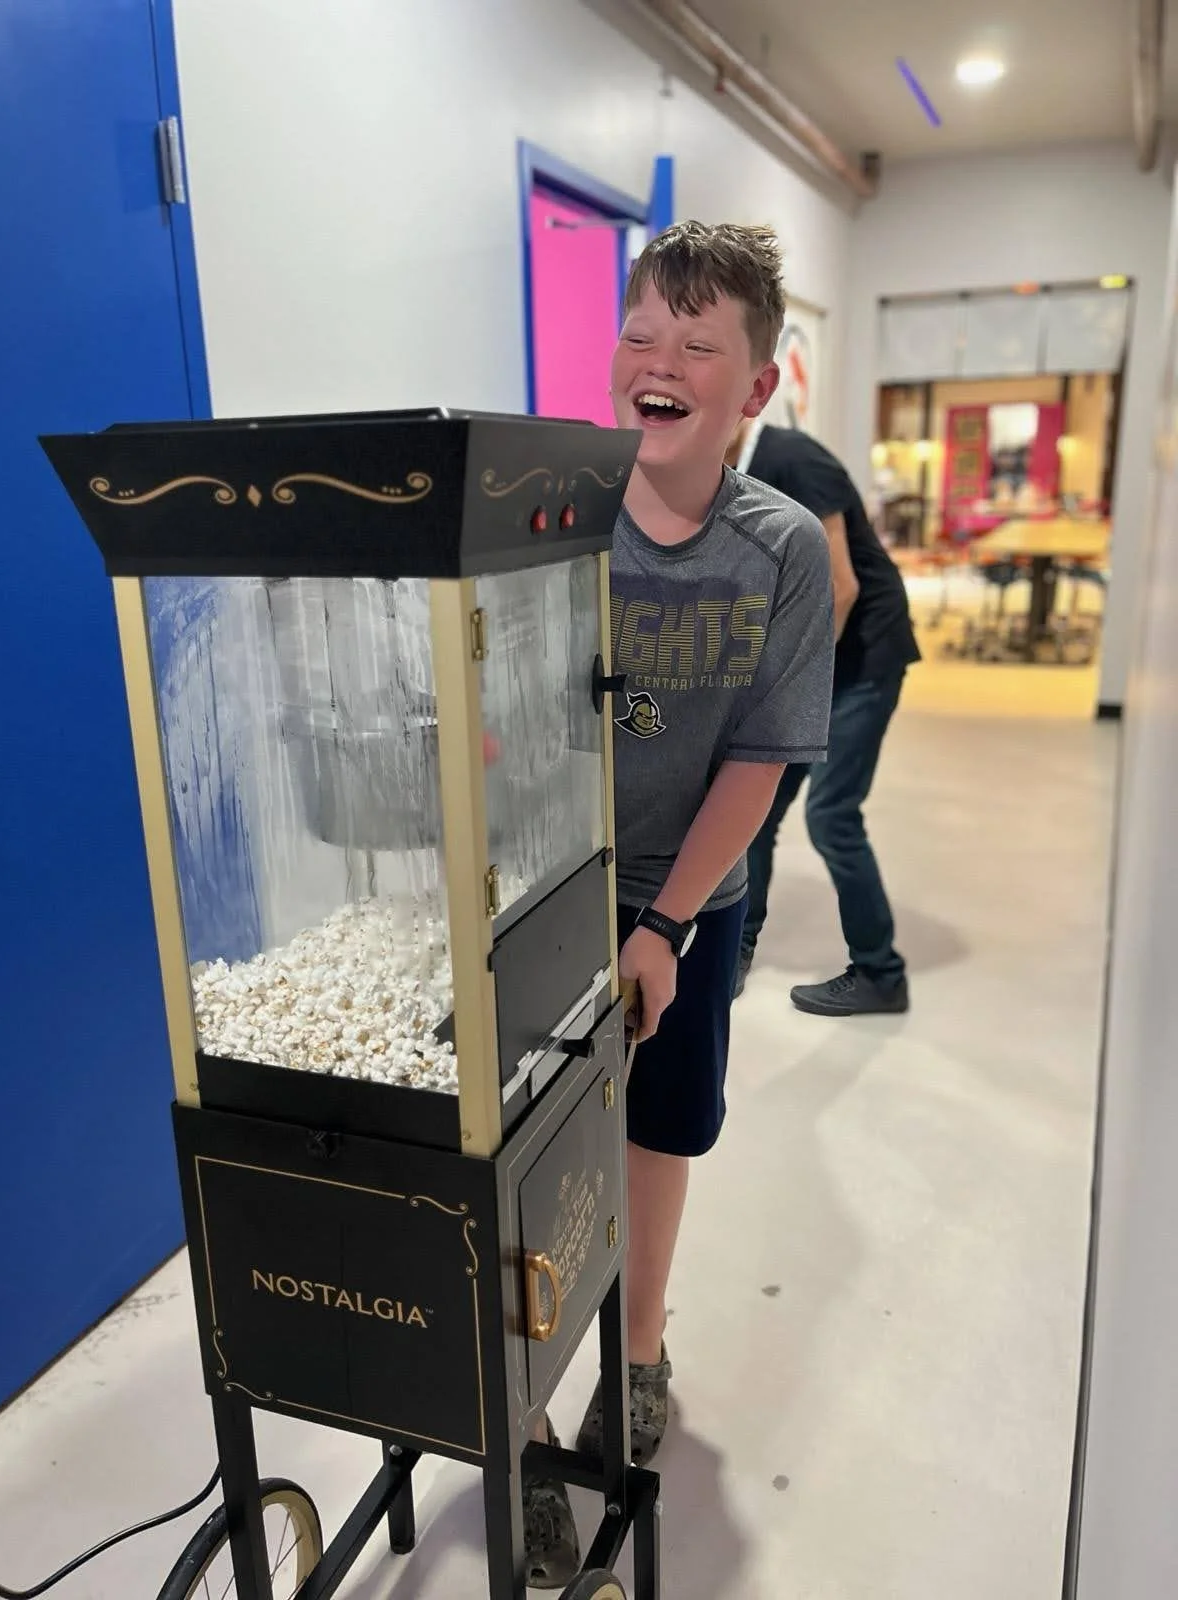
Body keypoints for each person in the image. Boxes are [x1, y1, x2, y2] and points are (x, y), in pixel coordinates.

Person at [522, 221, 835, 1587]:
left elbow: (758, 761)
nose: (660, 362)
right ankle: (524, 1410)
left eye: (698, 345)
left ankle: (637, 1349)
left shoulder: (779, 550)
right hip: (546, 891)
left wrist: (662, 928)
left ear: (754, 386)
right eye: (641, 333)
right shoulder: (552, 513)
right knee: (525, 1143)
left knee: (659, 1126)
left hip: (689, 904)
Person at [727, 419, 921, 1015]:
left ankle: (881, 973)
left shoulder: (793, 459)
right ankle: (734, 950)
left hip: (862, 662)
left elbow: (841, 588)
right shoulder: (732, 473)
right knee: (755, 808)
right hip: (822, 665)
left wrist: (793, 681)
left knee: (832, 815)